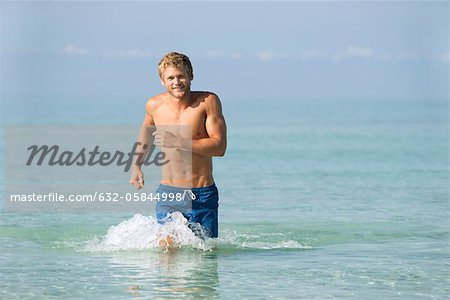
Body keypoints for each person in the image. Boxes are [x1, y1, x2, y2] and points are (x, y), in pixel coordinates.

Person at [130, 52, 227, 240]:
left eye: (181, 76)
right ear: (162, 81)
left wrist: (179, 142)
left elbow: (219, 147)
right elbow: (146, 135)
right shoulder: (154, 105)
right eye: (171, 78)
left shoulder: (207, 102)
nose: (177, 82)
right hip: (169, 193)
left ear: (191, 75)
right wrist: (136, 165)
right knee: (167, 250)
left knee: (203, 254)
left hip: (202, 194)